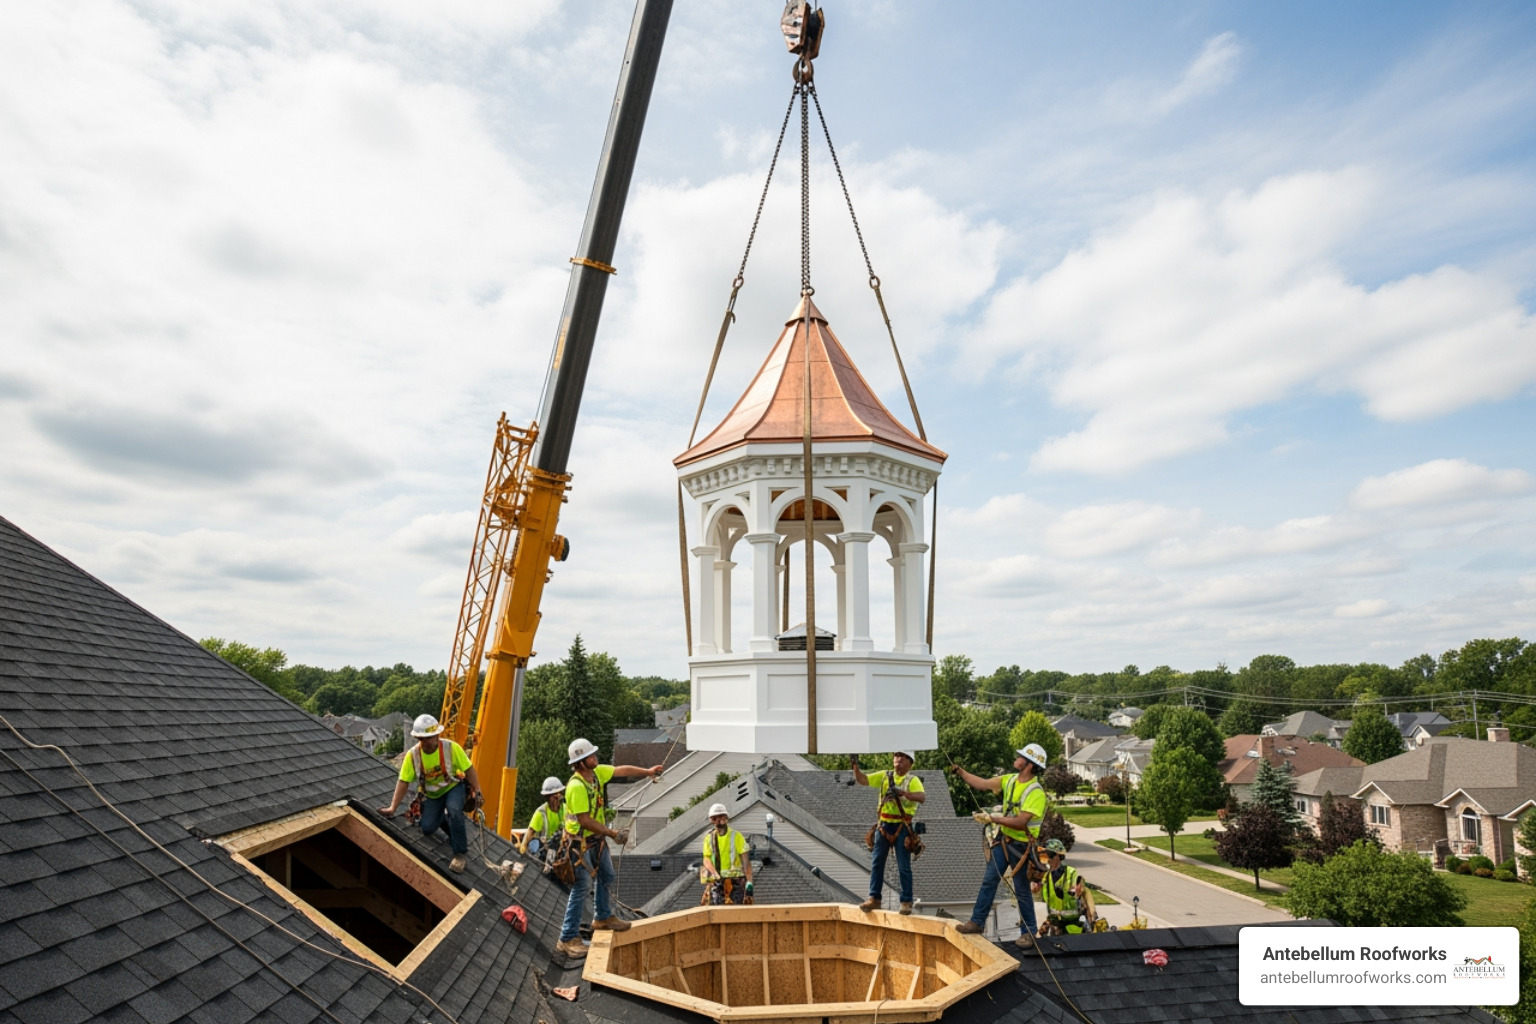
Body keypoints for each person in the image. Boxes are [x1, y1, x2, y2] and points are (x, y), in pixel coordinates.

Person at [555, 738, 663, 960]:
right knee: (582, 886)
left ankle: (602, 917)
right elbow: (584, 820)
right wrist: (612, 833)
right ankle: (567, 938)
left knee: (607, 874)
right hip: (579, 844)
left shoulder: (595, 776)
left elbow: (619, 771)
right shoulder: (576, 787)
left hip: (595, 840)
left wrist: (647, 771)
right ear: (582, 762)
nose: (596, 757)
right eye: (591, 756)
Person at [951, 743, 1049, 947]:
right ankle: (977, 922)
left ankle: (1029, 933)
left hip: (1022, 848)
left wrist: (993, 819)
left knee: (1022, 889)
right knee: (989, 881)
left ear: (1029, 765)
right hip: (1004, 841)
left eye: (1021, 756)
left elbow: (1021, 821)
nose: (1017, 757)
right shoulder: (1010, 780)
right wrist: (961, 772)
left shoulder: (1036, 792)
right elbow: (983, 784)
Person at [378, 714, 480, 873]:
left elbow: (469, 769)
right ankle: (448, 822)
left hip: (453, 787)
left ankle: (460, 853)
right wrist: (392, 808)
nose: (425, 742)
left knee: (454, 809)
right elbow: (403, 782)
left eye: (428, 738)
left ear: (436, 735)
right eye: (421, 739)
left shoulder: (451, 748)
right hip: (433, 795)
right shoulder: (413, 756)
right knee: (427, 828)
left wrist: (477, 790)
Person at [851, 751, 926, 915]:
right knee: (877, 864)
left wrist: (903, 793)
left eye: (902, 756)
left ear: (909, 762)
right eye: (896, 756)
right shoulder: (885, 776)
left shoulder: (911, 780)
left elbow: (921, 797)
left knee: (903, 866)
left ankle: (906, 901)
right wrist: (855, 765)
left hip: (902, 826)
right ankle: (874, 898)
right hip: (884, 825)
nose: (897, 758)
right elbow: (863, 779)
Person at [1033, 838, 1097, 935]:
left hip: (1073, 925)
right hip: (1055, 924)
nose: (1047, 860)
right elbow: (1037, 890)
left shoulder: (1071, 873)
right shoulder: (1047, 876)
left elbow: (1083, 890)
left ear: (1058, 856)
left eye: (1050, 855)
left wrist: (1092, 915)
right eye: (1045, 856)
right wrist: (1034, 887)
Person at [699, 804, 753, 905]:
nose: (720, 819)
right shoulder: (709, 838)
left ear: (726, 818)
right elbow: (706, 859)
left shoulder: (736, 836)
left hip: (736, 882)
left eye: (722, 816)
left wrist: (749, 881)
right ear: (712, 820)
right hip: (718, 882)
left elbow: (745, 860)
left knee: (736, 912)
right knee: (716, 911)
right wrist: (714, 873)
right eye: (717, 817)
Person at [519, 776, 565, 863]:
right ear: (547, 797)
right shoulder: (541, 813)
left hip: (563, 850)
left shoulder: (566, 809)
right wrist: (522, 855)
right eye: (553, 797)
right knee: (535, 844)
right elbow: (528, 836)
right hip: (546, 852)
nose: (556, 799)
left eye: (558, 796)